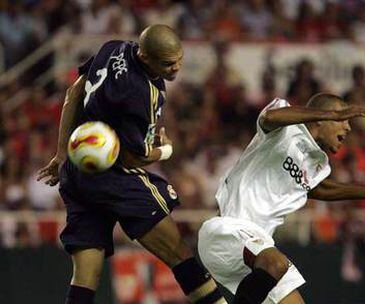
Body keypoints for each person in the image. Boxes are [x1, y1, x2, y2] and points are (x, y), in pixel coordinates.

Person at [37, 24, 226, 304]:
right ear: (147, 57)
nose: (175, 68)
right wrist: (166, 150)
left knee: (85, 277)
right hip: (115, 179)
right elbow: (131, 157)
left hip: (79, 173)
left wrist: (63, 154)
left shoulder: (113, 47)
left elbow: (73, 94)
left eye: (179, 61)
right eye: (168, 63)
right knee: (179, 253)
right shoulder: (141, 94)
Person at [198, 93, 365, 304]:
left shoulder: (318, 162)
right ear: (325, 118)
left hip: (253, 253)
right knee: (277, 264)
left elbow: (318, 189)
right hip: (228, 230)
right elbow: (269, 118)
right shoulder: (286, 126)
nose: (348, 127)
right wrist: (332, 113)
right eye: (343, 119)